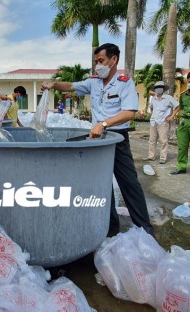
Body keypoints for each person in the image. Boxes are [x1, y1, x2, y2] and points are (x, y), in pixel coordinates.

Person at [41, 43, 154, 236]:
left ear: (113, 60)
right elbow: (70, 86)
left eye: (101, 61)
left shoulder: (125, 83)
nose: (97, 66)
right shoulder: (93, 82)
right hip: (97, 139)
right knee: (102, 184)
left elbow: (129, 112)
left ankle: (146, 231)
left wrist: (104, 124)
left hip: (117, 138)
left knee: (129, 183)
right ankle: (110, 227)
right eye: (95, 62)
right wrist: (53, 85)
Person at [142, 81, 179, 164]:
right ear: (155, 89)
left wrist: (171, 116)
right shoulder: (154, 99)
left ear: (163, 89)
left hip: (163, 122)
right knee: (152, 140)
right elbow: (151, 108)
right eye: (156, 88)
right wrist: (153, 115)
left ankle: (163, 157)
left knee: (163, 140)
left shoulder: (168, 98)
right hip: (153, 121)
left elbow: (177, 106)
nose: (158, 89)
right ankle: (151, 156)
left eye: (160, 87)